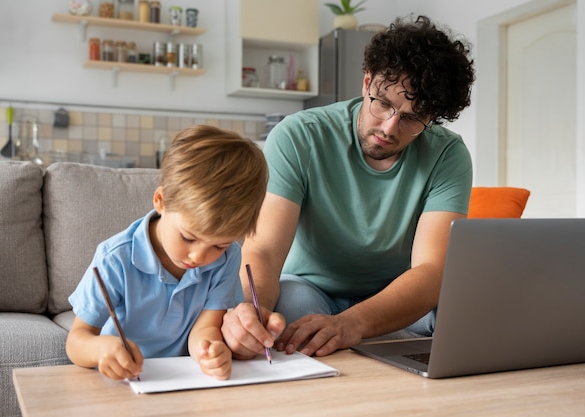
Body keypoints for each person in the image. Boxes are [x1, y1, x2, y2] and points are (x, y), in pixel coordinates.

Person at [222, 15, 475, 359]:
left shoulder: (448, 153)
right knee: (292, 314)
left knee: (462, 312)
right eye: (383, 103)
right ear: (366, 81)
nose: (389, 127)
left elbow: (431, 272)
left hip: (396, 296)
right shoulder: (299, 135)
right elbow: (264, 249)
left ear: (432, 119)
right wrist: (252, 313)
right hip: (311, 288)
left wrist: (351, 324)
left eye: (413, 118)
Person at [66, 125, 268, 380]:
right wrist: (101, 349)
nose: (198, 257)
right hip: (122, 382)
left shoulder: (228, 259)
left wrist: (208, 351)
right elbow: (76, 341)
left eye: (219, 245)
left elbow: (206, 327)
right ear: (160, 201)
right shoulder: (113, 258)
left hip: (184, 378)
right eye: (188, 237)